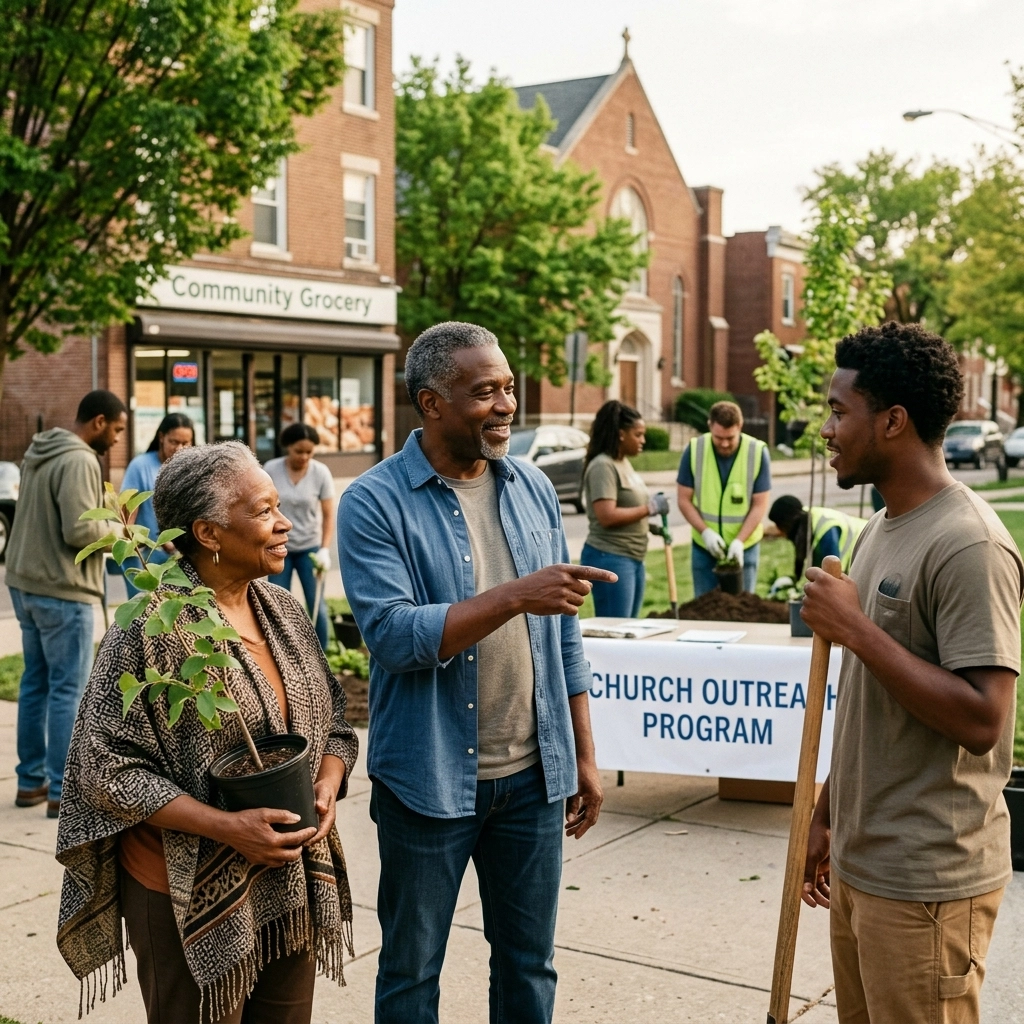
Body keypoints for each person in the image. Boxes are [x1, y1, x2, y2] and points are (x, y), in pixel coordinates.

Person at [338, 321, 614, 1024]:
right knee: (410, 970)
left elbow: (563, 635)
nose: (506, 405)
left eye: (509, 388)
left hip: (532, 779)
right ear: (432, 403)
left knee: (529, 965)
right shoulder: (374, 501)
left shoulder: (532, 488)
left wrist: (582, 754)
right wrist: (514, 595)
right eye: (485, 391)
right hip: (427, 780)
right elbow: (393, 636)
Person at [55, 441, 358, 1024]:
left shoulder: (284, 610)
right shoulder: (147, 631)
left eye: (279, 507)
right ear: (208, 533)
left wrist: (326, 781)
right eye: (264, 511)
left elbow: (334, 720)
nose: (284, 523)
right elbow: (105, 769)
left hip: (287, 879)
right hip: (184, 892)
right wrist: (227, 827)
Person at [799, 321, 1023, 1024]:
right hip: (863, 863)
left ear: (892, 421)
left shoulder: (969, 544)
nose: (827, 430)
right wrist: (825, 816)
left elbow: (983, 719)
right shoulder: (879, 528)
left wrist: (856, 630)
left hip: (927, 881)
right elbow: (871, 703)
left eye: (839, 411)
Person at [5, 390, 127, 818]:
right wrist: (120, 532)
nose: (117, 439)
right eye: (116, 429)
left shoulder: (39, 451)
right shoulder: (79, 459)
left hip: (25, 582)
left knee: (35, 684)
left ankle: (30, 782)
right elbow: (80, 531)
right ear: (98, 422)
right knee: (67, 691)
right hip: (62, 589)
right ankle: (63, 789)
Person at [580, 401, 669, 618]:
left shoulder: (623, 463)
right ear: (621, 434)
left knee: (629, 625)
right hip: (610, 556)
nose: (643, 440)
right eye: (638, 435)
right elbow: (607, 516)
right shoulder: (603, 466)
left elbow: (628, 508)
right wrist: (650, 508)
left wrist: (651, 527)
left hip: (632, 557)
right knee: (616, 628)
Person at [677, 400, 770, 596]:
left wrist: (739, 541)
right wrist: (705, 533)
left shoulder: (757, 452)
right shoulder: (694, 450)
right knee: (705, 606)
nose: (725, 444)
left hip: (744, 547)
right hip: (704, 547)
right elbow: (684, 500)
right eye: (719, 438)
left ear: (740, 426)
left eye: (730, 438)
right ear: (710, 426)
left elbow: (759, 505)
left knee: (742, 606)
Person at [264, 423, 334, 650]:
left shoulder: (320, 472)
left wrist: (324, 549)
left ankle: (322, 654)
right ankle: (283, 651)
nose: (304, 457)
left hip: (309, 548)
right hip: (278, 547)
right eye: (299, 451)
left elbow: (328, 514)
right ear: (288, 447)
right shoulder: (271, 469)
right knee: (277, 604)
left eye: (309, 452)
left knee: (316, 605)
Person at [119, 412, 195, 598]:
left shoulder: (191, 470)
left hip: (179, 558)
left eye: (186, 443)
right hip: (144, 558)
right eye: (174, 442)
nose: (179, 449)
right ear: (161, 437)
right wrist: (148, 542)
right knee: (145, 609)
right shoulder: (140, 466)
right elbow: (127, 520)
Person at [768, 495, 868, 579]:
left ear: (787, 522)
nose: (779, 530)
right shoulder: (804, 520)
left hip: (867, 545)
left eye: (779, 525)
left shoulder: (825, 528)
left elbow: (831, 575)